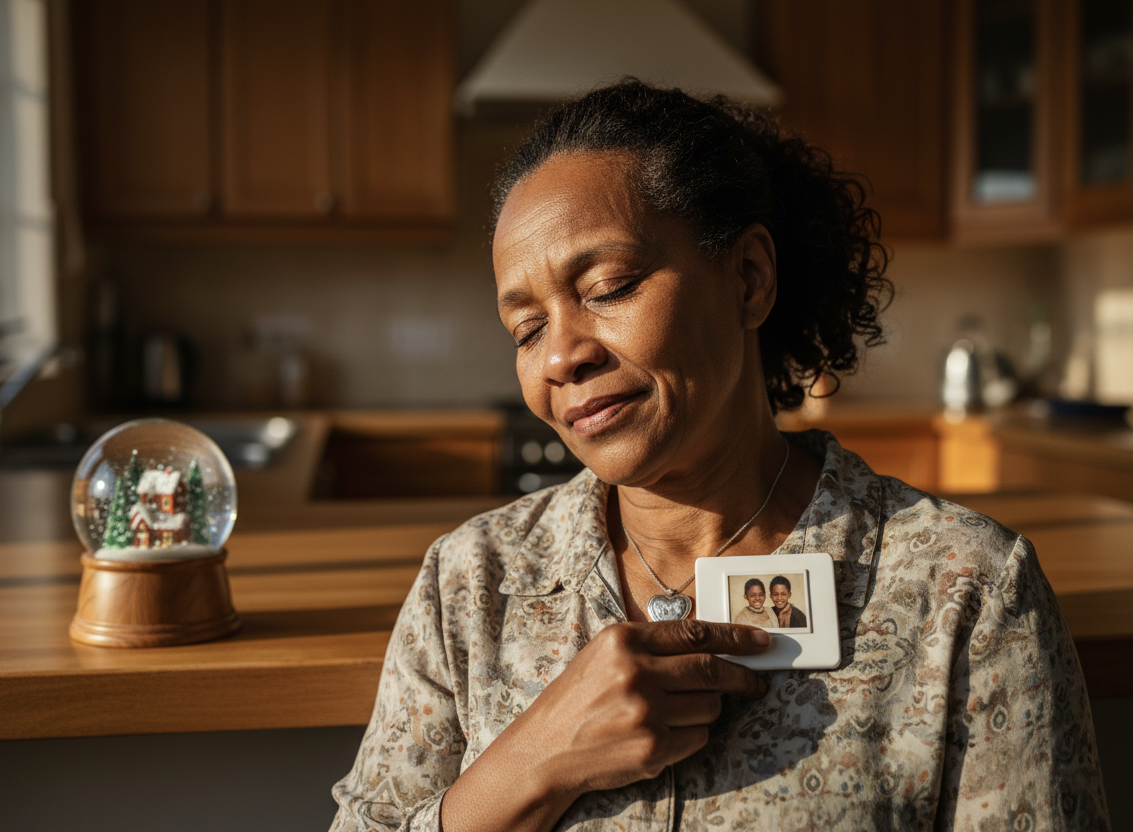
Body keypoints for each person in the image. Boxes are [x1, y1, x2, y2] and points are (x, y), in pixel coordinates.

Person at [330, 80, 1109, 830]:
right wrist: (534, 762)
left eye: (609, 285)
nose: (560, 355)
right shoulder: (470, 586)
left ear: (748, 279)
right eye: (526, 329)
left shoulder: (967, 594)